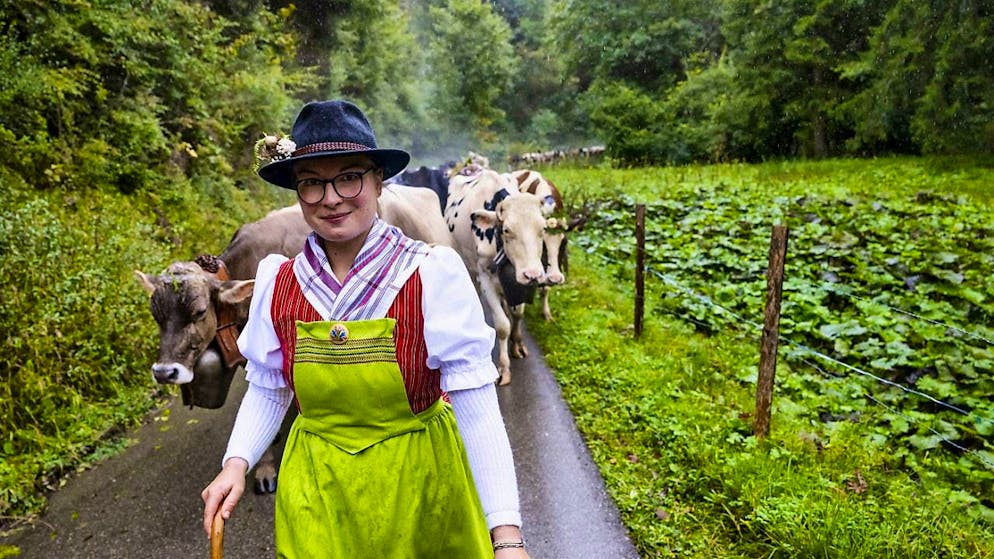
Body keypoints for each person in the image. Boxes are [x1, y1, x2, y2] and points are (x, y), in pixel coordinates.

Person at [200, 100, 530, 558]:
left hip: (422, 489)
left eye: (349, 176)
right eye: (312, 183)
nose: (331, 197)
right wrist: (235, 465)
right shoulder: (280, 281)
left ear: (378, 181)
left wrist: (507, 536)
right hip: (318, 494)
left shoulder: (432, 275)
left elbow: (476, 407)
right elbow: (269, 386)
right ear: (297, 193)